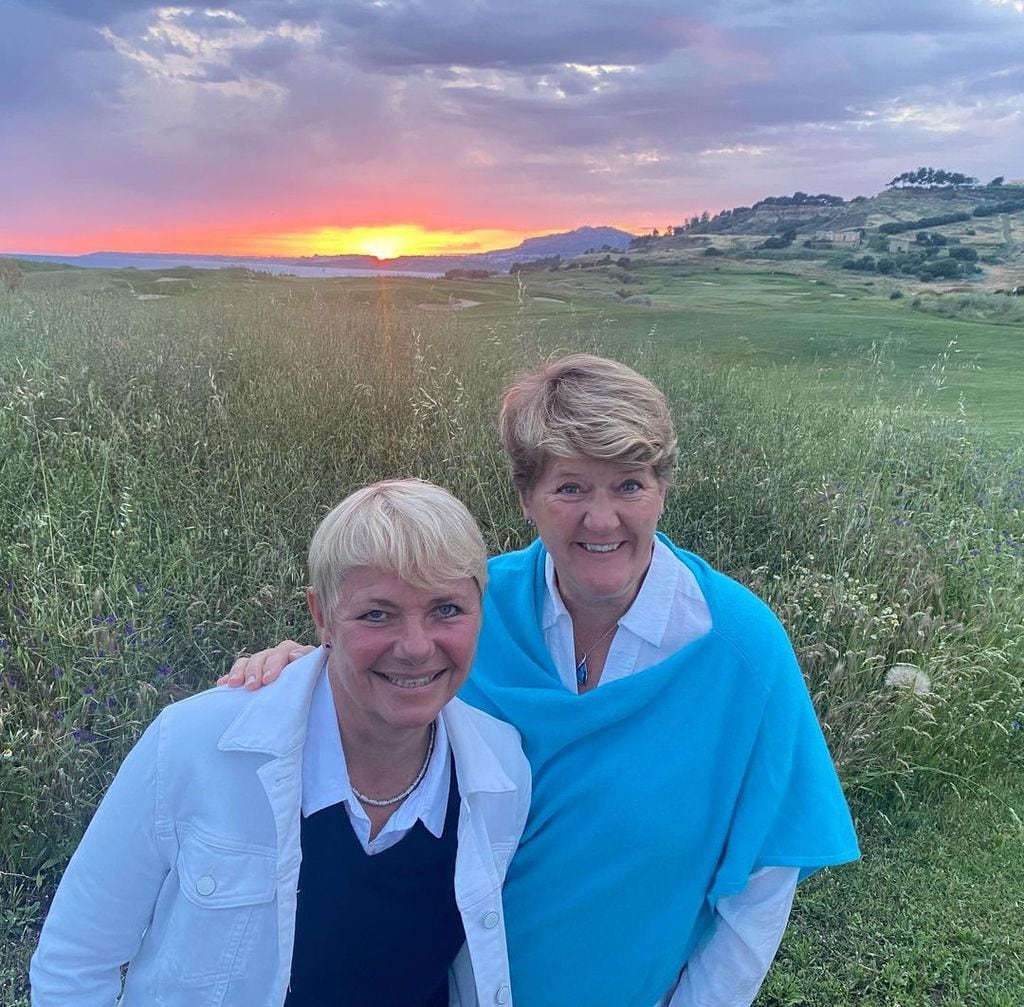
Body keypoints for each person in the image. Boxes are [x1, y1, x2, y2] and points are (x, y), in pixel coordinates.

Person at [224, 355, 860, 1006]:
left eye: (629, 485)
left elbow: (762, 881)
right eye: (571, 487)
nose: (603, 518)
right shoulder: (470, 612)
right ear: (527, 496)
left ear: (663, 489)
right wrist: (299, 671)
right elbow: (380, 674)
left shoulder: (739, 650)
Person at [31, 479, 531, 1007]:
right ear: (321, 616)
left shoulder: (501, 769)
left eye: (447, 609)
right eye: (376, 614)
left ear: (481, 608)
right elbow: (76, 961)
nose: (414, 647)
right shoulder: (196, 746)